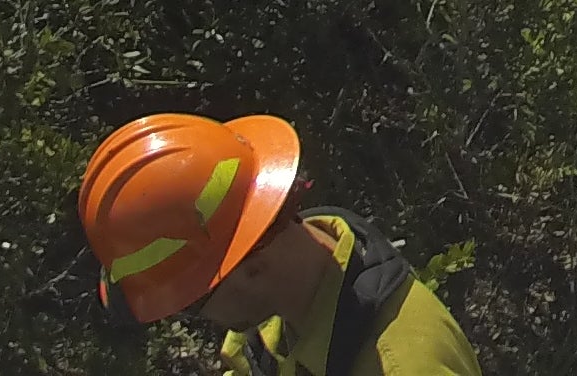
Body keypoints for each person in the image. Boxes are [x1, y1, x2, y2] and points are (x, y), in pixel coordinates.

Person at [77, 111, 482, 375]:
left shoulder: (404, 365)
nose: (196, 318)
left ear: (250, 267)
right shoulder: (285, 313)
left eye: (193, 303)